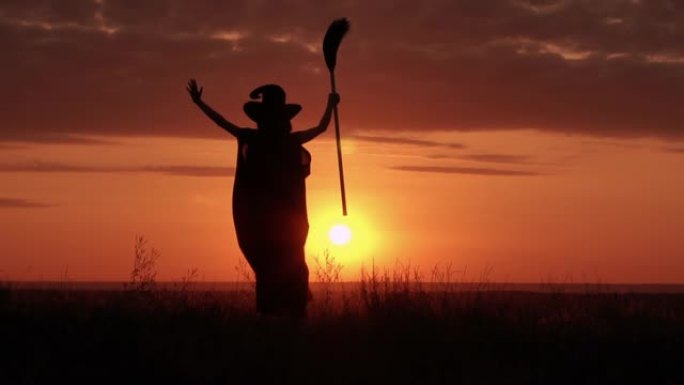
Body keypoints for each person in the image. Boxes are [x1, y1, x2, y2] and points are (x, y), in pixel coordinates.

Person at [187, 79, 339, 317]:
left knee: (281, 269)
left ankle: (281, 322)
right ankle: (285, 322)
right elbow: (321, 128)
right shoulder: (275, 140)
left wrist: (199, 103)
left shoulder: (261, 139)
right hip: (277, 224)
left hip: (276, 224)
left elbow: (222, 123)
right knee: (283, 269)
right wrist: (330, 104)